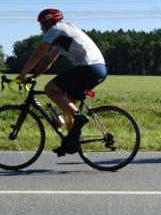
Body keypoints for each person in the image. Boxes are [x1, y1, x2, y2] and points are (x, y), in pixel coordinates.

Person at [15, 9, 108, 155]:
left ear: (49, 22)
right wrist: (33, 76)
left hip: (87, 68)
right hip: (99, 69)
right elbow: (48, 60)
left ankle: (80, 117)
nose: (41, 28)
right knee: (67, 105)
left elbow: (38, 54)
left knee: (50, 89)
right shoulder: (64, 31)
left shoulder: (55, 29)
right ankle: (72, 142)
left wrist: (22, 74)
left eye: (42, 24)